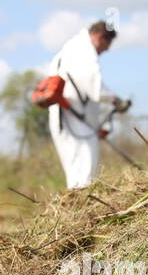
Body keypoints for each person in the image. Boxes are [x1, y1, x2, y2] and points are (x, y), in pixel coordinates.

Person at [45, 20, 128, 189]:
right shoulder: (83, 51)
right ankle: (83, 210)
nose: (107, 50)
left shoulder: (71, 47)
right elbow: (95, 88)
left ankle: (77, 209)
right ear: (99, 37)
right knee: (84, 170)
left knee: (76, 170)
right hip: (73, 121)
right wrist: (115, 100)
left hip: (68, 118)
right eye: (107, 44)